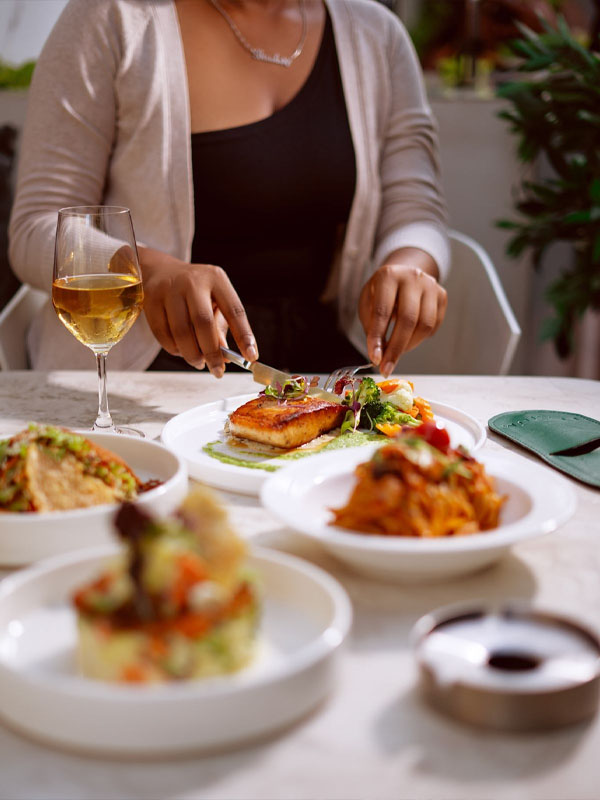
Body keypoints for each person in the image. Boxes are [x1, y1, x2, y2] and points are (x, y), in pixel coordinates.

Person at [8, 0, 449, 377]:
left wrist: (411, 264)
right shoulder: (113, 19)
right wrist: (148, 271)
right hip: (146, 372)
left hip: (312, 365)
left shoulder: (377, 35)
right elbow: (36, 226)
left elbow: (415, 210)